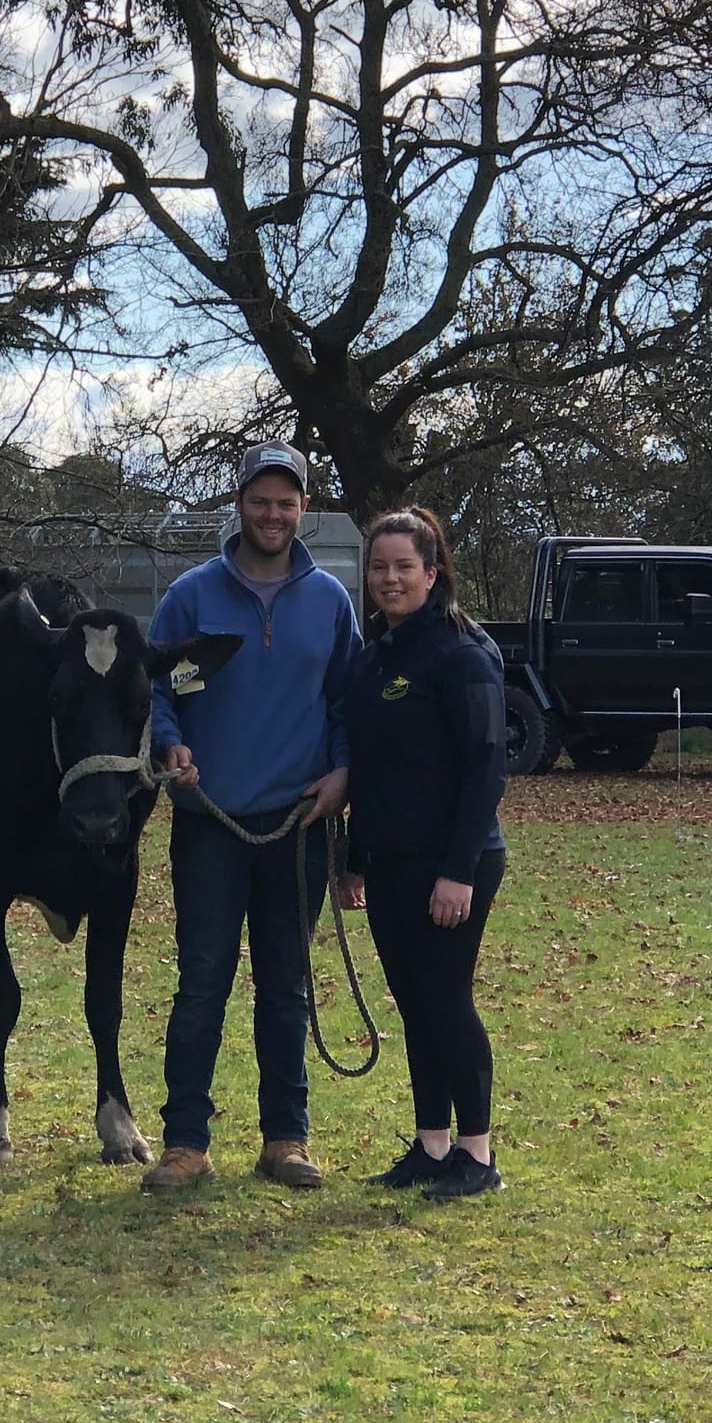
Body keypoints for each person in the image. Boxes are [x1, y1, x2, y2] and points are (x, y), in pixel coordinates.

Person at [139, 442, 362, 1193]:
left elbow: (345, 702)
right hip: (209, 823)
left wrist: (342, 773)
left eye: (287, 501)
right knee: (202, 981)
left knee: (286, 984)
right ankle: (185, 1142)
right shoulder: (193, 598)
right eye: (261, 499)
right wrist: (170, 744)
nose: (274, 513)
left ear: (304, 507)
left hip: (296, 825)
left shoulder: (330, 602)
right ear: (240, 503)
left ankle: (285, 1137)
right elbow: (162, 689)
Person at [336, 506, 508, 1201]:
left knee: (446, 997)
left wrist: (458, 869)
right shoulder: (372, 658)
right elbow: (366, 770)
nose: (390, 578)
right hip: (386, 860)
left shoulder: (463, 653)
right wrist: (351, 858)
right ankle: (432, 1143)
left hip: (451, 862)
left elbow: (487, 766)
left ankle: (478, 1153)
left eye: (405, 566)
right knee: (413, 1001)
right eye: (379, 566)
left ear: (433, 573)